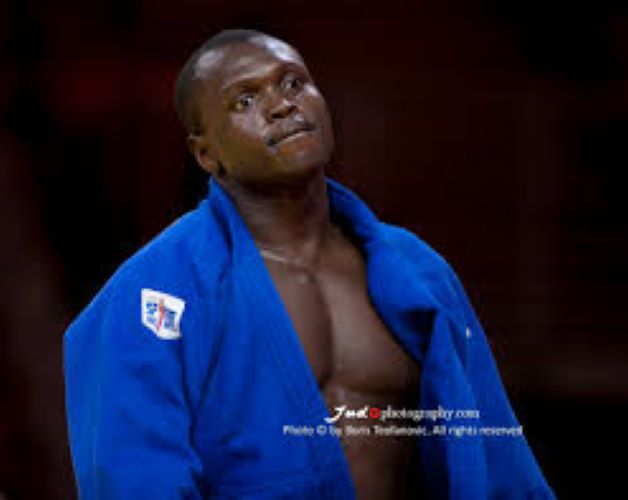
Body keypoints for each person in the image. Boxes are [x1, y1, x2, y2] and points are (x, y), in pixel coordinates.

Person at [64, 29, 555, 499]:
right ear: (206, 153)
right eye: (244, 100)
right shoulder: (153, 292)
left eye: (294, 82)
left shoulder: (420, 271)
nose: (282, 105)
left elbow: (499, 463)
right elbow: (134, 479)